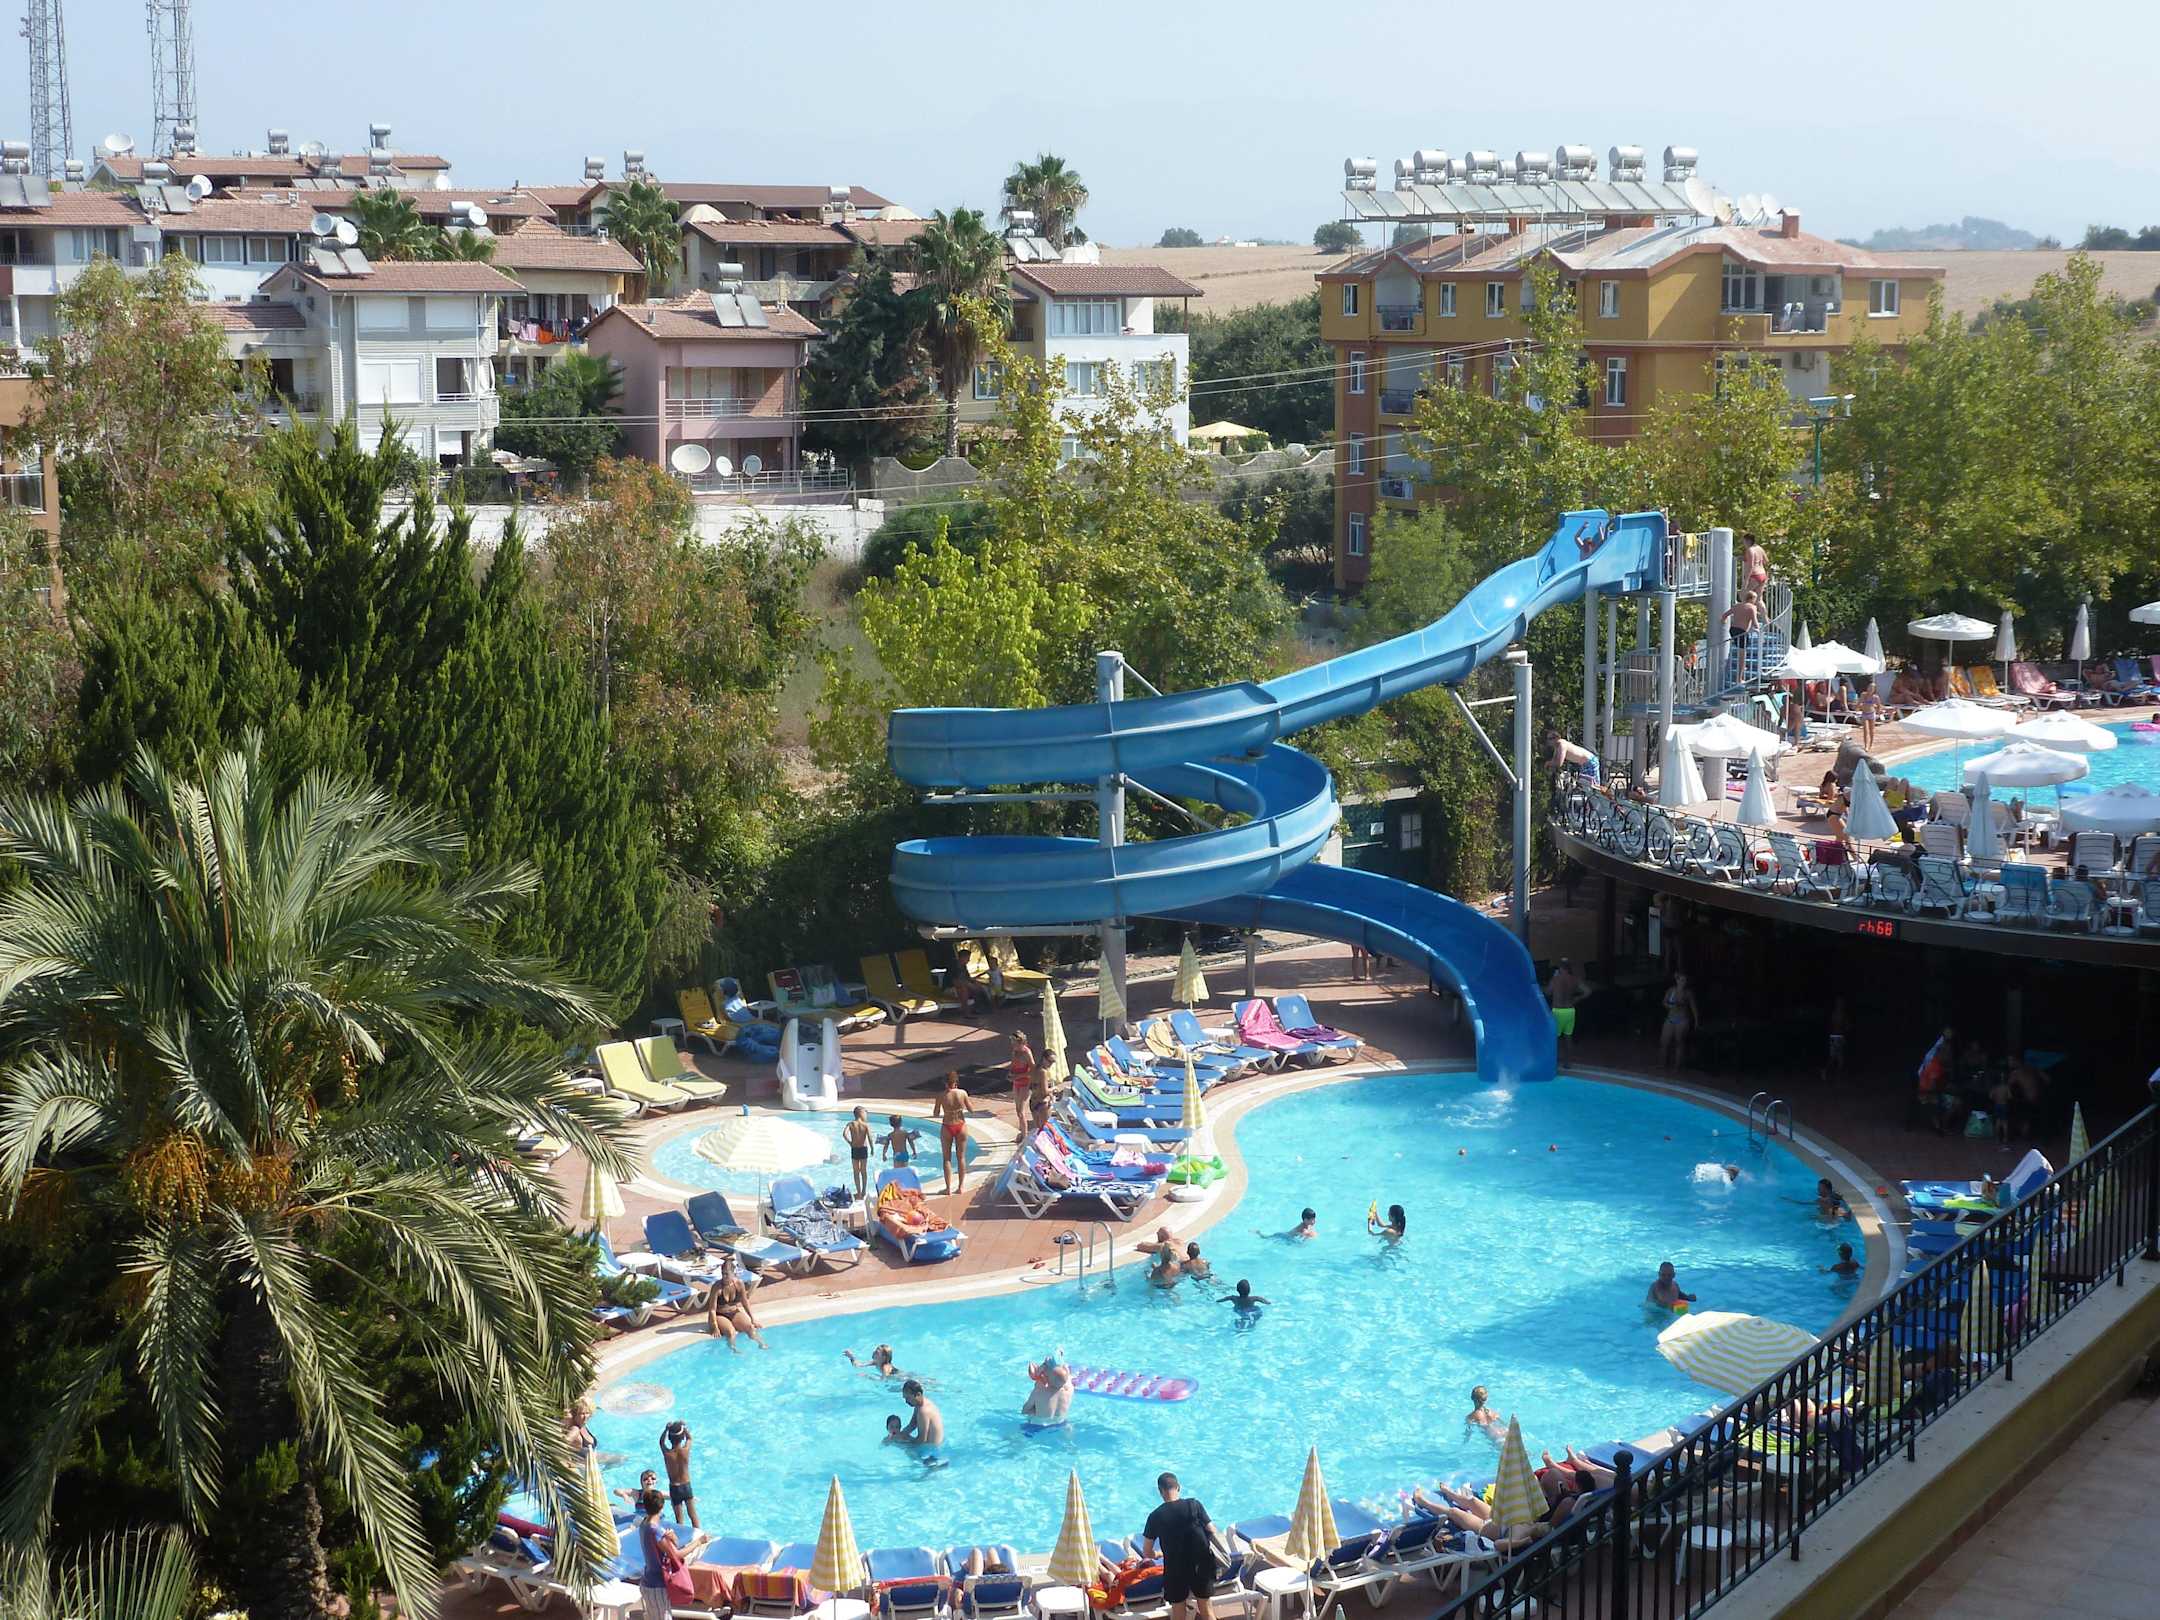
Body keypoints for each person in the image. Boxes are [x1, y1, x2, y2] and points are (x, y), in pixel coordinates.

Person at [1138, 1472, 1218, 1620]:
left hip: (1175, 1569)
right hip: (1200, 1564)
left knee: (1179, 1613)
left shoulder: (1155, 1516)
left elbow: (1147, 1552)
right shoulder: (1194, 1505)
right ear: (1178, 1487)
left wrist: (1159, 1554)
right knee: (1207, 1610)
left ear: (1160, 1491)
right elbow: (1212, 1530)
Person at [635, 1486, 682, 1619]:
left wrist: (673, 1539)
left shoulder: (644, 1524)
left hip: (648, 1581)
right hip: (657, 1585)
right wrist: (699, 1542)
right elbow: (677, 1555)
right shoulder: (655, 1530)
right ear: (662, 1507)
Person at [705, 1255, 766, 1351]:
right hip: (719, 1315)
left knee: (750, 1327)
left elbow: (745, 1302)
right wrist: (714, 1326)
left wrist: (753, 1319)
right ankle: (734, 1349)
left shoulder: (739, 1284)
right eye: (723, 1274)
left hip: (734, 1312)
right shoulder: (717, 1287)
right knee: (731, 1332)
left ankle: (761, 1344)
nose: (724, 1277)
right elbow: (712, 1309)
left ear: (733, 1273)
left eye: (727, 1274)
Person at [935, 1072, 971, 1196]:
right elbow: (971, 1109)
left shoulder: (941, 1095)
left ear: (945, 1083)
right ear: (956, 1082)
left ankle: (948, 1188)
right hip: (961, 1125)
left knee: (946, 1159)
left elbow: (935, 1113)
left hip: (947, 1126)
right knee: (961, 1157)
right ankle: (961, 1187)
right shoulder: (962, 1093)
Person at [659, 1420, 699, 1531]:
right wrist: (684, 1427)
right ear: (682, 1438)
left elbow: (661, 1443)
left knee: (679, 1519)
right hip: (686, 1486)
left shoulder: (667, 1453)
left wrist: (666, 1429)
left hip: (674, 1488)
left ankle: (681, 1536)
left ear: (669, 1438)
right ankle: (700, 1535)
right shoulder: (685, 1451)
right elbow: (689, 1438)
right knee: (693, 1515)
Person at [1546, 957, 1586, 1061]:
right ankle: (1568, 1062)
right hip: (1570, 1010)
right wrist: (1577, 998)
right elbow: (1588, 991)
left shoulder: (1555, 979)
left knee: (1556, 1038)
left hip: (1557, 1011)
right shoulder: (1574, 979)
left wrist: (1553, 978)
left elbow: (1548, 992)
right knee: (1568, 1037)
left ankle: (1555, 1059)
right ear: (1569, 968)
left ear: (1560, 968)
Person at [899, 1380, 946, 1466]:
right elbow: (912, 1424)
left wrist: (904, 1443)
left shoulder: (923, 1411)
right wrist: (899, 1435)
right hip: (935, 1445)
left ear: (918, 1394)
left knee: (908, 1451)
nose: (906, 1401)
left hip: (932, 1451)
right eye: (905, 1398)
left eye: (908, 1398)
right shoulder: (920, 1404)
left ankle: (933, 1466)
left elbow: (921, 1441)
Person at [1658, 972, 1698, 1070]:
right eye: (1681, 980)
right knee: (1664, 1041)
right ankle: (1663, 1064)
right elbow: (1664, 1002)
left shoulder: (1688, 993)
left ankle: (1677, 1066)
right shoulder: (1671, 990)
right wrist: (1670, 1006)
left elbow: (1693, 1007)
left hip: (1682, 1020)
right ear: (1677, 980)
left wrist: (1696, 1020)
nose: (1683, 982)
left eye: (1685, 980)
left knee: (1679, 1043)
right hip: (1670, 1018)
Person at [1022, 1350, 1074, 1425]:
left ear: (1046, 1378)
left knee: (1030, 1411)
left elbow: (1025, 1410)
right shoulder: (1070, 1388)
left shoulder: (1040, 1391)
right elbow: (1065, 1373)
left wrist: (1041, 1369)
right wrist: (1060, 1358)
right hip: (1061, 1422)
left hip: (1039, 1424)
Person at [1008, 1032, 1038, 1132]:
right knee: (1018, 1110)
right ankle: (1022, 1131)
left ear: (1020, 1042)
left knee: (1021, 1110)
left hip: (1025, 1082)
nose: (1013, 1044)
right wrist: (1010, 1073)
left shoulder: (1026, 1053)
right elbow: (1013, 1064)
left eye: (1014, 1042)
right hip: (1016, 1082)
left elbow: (1033, 1070)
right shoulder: (1015, 1051)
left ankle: (1024, 1133)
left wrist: (1018, 1076)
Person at [843, 1106, 873, 1201]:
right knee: (863, 1171)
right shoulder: (865, 1125)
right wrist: (872, 1148)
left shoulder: (851, 1124)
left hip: (855, 1149)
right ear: (861, 1114)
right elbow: (870, 1138)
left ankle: (859, 1192)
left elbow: (844, 1134)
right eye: (865, 1113)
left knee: (856, 1171)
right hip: (863, 1149)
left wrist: (850, 1142)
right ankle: (864, 1191)